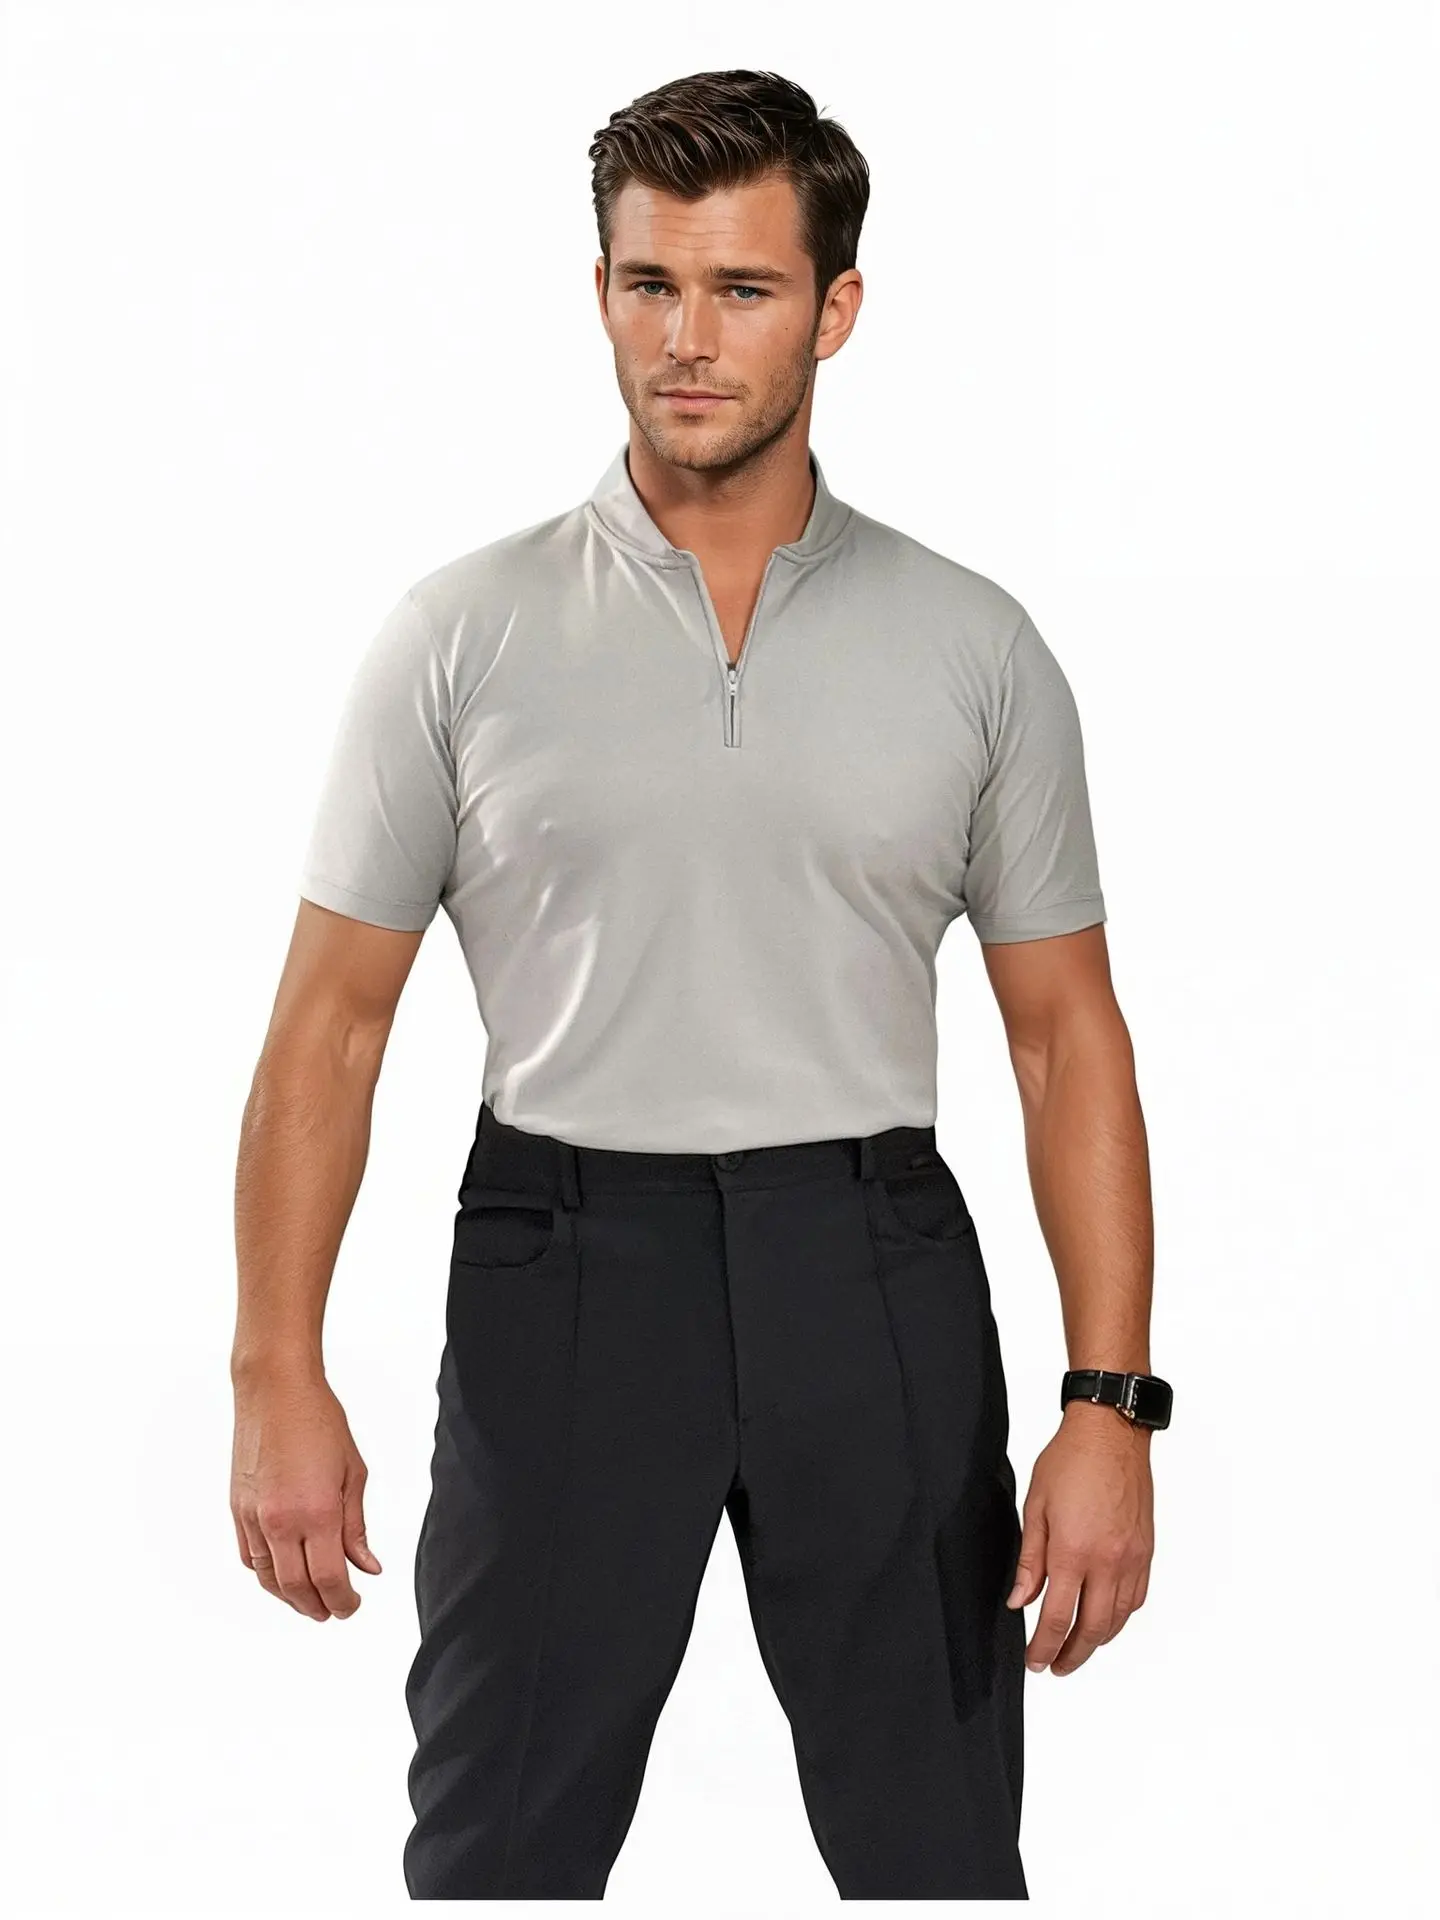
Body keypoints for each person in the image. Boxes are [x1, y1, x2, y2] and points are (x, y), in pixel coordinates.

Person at [230, 67, 1171, 1902]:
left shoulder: (974, 646)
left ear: (836, 307)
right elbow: (327, 1031)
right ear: (600, 291)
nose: (687, 337)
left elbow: (1068, 1044)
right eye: (650, 283)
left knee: (935, 1858)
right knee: (496, 1855)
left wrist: (1111, 1403)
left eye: (743, 288)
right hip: (567, 1263)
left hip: (871, 1266)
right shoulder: (461, 635)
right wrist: (276, 1368)